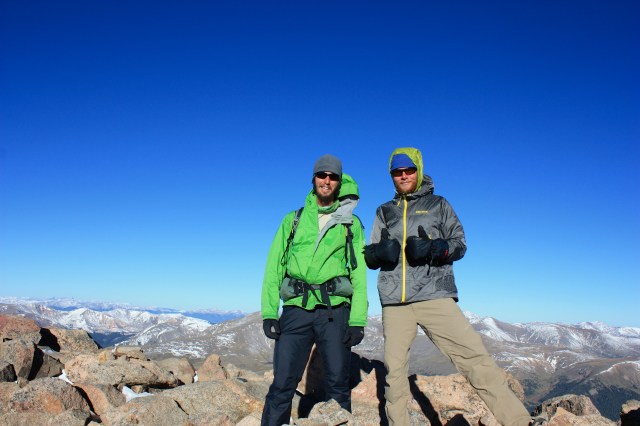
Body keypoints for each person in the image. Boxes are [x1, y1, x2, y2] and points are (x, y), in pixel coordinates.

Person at [364, 147, 534, 426]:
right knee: (394, 374)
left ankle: (518, 421)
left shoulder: (439, 204)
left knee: (474, 359)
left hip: (435, 296)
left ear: (418, 170)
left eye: (409, 170)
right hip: (395, 302)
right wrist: (377, 254)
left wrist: (434, 247)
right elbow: (370, 251)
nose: (403, 175)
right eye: (397, 172)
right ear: (391, 176)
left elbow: (460, 244)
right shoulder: (384, 211)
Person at [261, 154, 368, 426]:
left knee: (337, 386)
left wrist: (357, 320)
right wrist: (269, 312)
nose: (327, 180)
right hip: (296, 309)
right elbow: (274, 266)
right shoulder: (293, 219)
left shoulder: (351, 224)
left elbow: (359, 275)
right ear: (314, 179)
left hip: (335, 312)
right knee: (283, 383)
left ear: (339, 182)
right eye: (322, 175)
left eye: (333, 177)